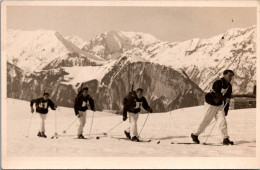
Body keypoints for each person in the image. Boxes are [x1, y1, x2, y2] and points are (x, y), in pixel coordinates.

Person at [191, 70, 234, 145]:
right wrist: (224, 99)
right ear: (224, 75)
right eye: (229, 75)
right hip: (210, 103)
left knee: (222, 121)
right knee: (205, 120)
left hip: (220, 105)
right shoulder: (218, 82)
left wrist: (225, 112)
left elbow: (227, 99)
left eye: (232, 76)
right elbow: (217, 94)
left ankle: (225, 138)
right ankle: (195, 134)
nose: (231, 77)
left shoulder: (229, 86)